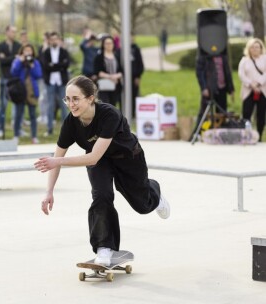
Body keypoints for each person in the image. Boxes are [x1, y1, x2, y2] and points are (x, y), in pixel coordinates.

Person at [34, 75, 170, 266]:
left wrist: (57, 160)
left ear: (90, 98)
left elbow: (91, 157)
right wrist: (49, 191)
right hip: (100, 162)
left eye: (76, 99)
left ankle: (154, 193)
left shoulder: (109, 114)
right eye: (67, 99)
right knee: (101, 196)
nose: (71, 104)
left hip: (127, 157)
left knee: (141, 204)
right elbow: (57, 159)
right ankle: (104, 248)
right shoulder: (70, 123)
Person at [191, 50, 235, 139]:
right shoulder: (204, 54)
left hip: (222, 88)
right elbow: (199, 72)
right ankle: (198, 134)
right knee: (204, 112)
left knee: (222, 113)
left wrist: (231, 88)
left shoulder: (223, 54)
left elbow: (227, 71)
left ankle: (220, 135)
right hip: (209, 88)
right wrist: (204, 88)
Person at [10, 43, 42, 143]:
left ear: (32, 52)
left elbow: (38, 75)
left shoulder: (35, 62)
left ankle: (34, 136)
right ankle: (16, 135)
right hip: (20, 91)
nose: (28, 52)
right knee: (18, 115)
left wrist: (32, 66)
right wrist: (20, 62)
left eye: (30, 50)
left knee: (33, 115)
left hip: (31, 92)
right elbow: (13, 72)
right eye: (26, 50)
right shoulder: (18, 60)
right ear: (22, 51)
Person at [41, 31, 70, 136]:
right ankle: (49, 129)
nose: (54, 41)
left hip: (61, 81)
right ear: (50, 41)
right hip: (50, 81)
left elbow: (66, 64)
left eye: (55, 39)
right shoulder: (46, 52)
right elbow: (45, 66)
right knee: (50, 105)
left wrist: (53, 65)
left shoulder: (64, 52)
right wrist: (59, 65)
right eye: (52, 39)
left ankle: (67, 130)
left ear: (58, 40)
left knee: (64, 105)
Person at [0, 25, 22, 138]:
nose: (14, 34)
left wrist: (8, 58)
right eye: (12, 31)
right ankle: (0, 128)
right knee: (3, 104)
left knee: (17, 105)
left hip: (16, 79)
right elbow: (2, 61)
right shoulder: (0, 46)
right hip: (5, 78)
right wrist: (14, 57)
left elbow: (19, 61)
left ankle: (17, 129)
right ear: (7, 32)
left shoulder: (18, 46)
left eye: (15, 32)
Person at [238, 38, 266, 141]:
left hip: (262, 90)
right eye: (253, 47)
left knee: (261, 114)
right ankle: (247, 135)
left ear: (261, 48)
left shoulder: (264, 59)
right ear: (249, 49)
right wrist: (251, 84)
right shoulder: (244, 60)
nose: (255, 49)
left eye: (257, 47)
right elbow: (241, 74)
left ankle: (259, 135)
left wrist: (259, 83)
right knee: (246, 113)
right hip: (248, 90)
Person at [116, 35, 144, 117]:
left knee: (133, 95)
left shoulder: (136, 50)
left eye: (131, 38)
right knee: (122, 96)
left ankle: (132, 114)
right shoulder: (119, 51)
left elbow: (140, 64)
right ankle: (122, 114)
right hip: (122, 78)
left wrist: (138, 76)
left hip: (134, 78)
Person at [94, 36, 123, 109]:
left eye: (110, 43)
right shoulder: (99, 57)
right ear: (103, 45)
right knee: (105, 106)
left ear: (113, 44)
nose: (109, 45)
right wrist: (110, 77)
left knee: (113, 106)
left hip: (116, 85)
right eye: (106, 43)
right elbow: (97, 71)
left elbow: (121, 71)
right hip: (104, 86)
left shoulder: (117, 56)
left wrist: (115, 77)